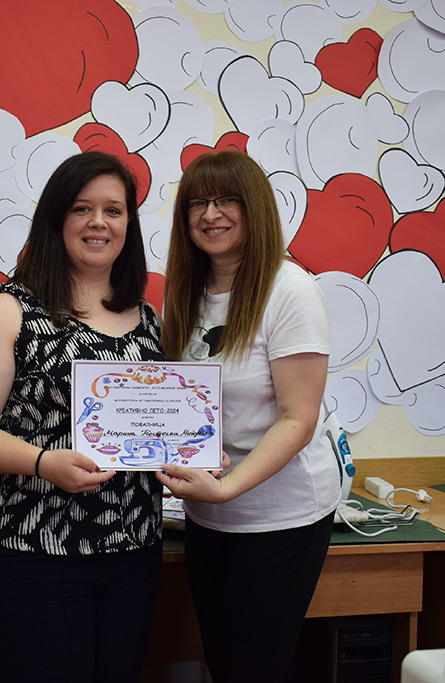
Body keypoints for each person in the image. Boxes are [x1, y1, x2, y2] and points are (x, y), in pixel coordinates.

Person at [0, 151, 164, 683]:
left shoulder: (148, 317)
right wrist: (43, 462)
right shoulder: (11, 311)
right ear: (56, 219)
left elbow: (157, 422)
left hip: (135, 553)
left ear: (128, 225)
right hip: (35, 553)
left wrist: (192, 449)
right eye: (81, 208)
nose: (98, 222)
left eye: (113, 210)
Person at [156, 150, 341, 682]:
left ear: (254, 207)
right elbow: (181, 404)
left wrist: (227, 488)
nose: (210, 214)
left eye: (226, 200)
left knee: (252, 669)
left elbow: (298, 419)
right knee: (222, 663)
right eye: (197, 203)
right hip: (207, 514)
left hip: (279, 518)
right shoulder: (187, 292)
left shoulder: (290, 290)